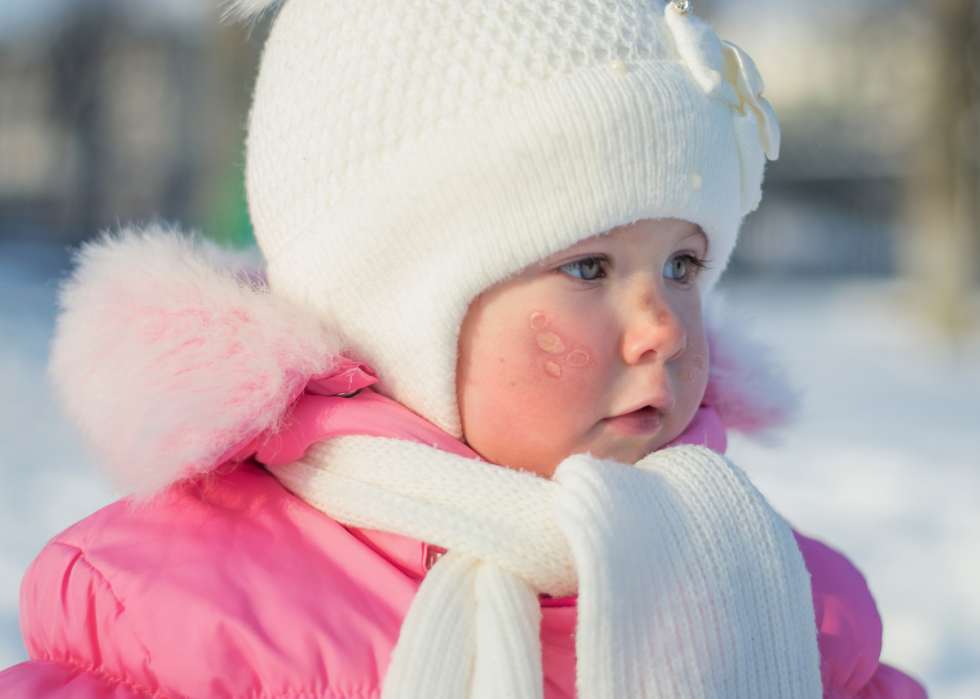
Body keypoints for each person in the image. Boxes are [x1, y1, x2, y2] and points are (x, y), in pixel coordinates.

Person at [0, 1, 927, 697]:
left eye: (684, 262)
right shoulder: (173, 615)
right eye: (590, 267)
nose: (667, 326)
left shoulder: (777, 597)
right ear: (400, 310)